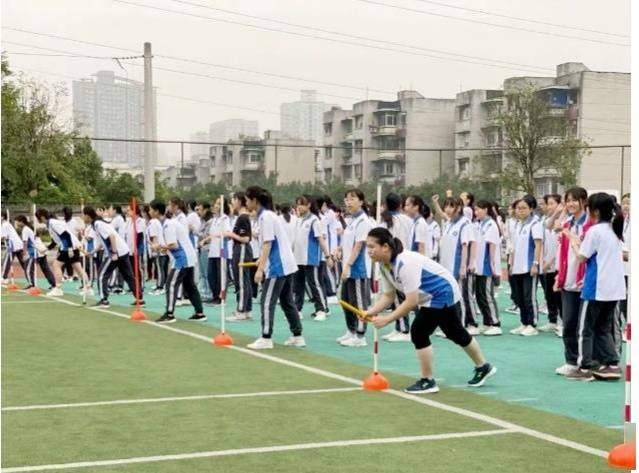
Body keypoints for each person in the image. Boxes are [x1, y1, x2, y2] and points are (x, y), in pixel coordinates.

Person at [365, 228, 496, 393]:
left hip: (442, 292)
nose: (369, 251)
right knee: (454, 331)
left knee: (419, 331)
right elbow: (389, 296)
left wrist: (387, 319)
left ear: (385, 246)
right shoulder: (383, 266)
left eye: (372, 246)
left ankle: (428, 381)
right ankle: (484, 366)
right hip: (430, 296)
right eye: (367, 247)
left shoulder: (405, 263)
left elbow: (411, 302)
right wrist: (371, 311)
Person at [566, 193, 625, 381]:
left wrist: (573, 241)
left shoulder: (595, 231)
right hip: (614, 288)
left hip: (596, 287)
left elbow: (582, 257)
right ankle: (611, 364)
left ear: (596, 211)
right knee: (603, 328)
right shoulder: (615, 230)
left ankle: (584, 367)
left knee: (585, 329)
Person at [245, 186, 305, 349]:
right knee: (287, 301)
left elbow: (268, 243)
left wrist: (260, 269)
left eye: (247, 199)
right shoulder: (266, 216)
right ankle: (297, 336)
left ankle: (266, 337)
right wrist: (262, 262)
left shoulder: (266, 217)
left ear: (255, 200)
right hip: (286, 264)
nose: (246, 203)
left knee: (266, 301)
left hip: (279, 266)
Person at [149, 199, 205, 323]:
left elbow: (174, 245)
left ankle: (169, 314)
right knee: (190, 286)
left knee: (170, 284)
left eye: (151, 210)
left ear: (157, 211)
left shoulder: (168, 225)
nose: (149, 212)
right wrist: (163, 248)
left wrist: (159, 247)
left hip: (182, 259)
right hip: (187, 257)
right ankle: (199, 312)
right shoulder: (167, 223)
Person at [431, 195, 478, 333]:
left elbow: (465, 246)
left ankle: (462, 325)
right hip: (445, 266)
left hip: (457, 266)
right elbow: (442, 214)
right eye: (446, 206)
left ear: (459, 208)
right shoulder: (449, 223)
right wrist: (435, 203)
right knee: (449, 296)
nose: (448, 209)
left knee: (460, 296)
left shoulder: (465, 223)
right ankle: (451, 325)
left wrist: (464, 266)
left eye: (451, 206)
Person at [82, 206, 144, 308]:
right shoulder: (97, 224)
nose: (83, 218)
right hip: (123, 251)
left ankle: (104, 300)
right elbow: (103, 242)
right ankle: (139, 298)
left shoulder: (98, 224)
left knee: (102, 275)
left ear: (87, 216)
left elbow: (112, 237)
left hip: (116, 252)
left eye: (83, 215)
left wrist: (114, 253)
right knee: (128, 276)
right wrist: (93, 252)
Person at [337, 189, 373, 347]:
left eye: (352, 198)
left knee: (359, 303)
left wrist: (348, 265)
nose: (348, 202)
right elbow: (347, 241)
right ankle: (350, 330)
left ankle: (360, 335)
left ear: (361, 201)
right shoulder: (351, 220)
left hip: (358, 268)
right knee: (346, 300)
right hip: (347, 265)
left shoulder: (364, 221)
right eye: (346, 198)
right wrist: (338, 249)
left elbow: (359, 245)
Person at [380, 193, 414, 342]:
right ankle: (399, 327)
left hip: (394, 259)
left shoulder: (384, 221)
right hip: (402, 258)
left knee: (401, 297)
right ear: (400, 205)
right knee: (396, 297)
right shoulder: (407, 220)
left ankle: (404, 329)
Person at [292, 195, 332, 321]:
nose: (299, 207)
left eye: (302, 204)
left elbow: (320, 240)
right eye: (298, 204)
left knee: (314, 284)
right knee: (298, 286)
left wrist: (328, 256)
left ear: (309, 205)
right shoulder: (298, 220)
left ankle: (321, 309)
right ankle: (297, 310)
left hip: (310, 258)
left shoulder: (314, 220)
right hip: (297, 259)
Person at [509, 195, 543, 337]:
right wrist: (511, 263)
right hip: (517, 266)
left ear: (531, 209)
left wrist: (535, 264)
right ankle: (524, 322)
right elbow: (514, 246)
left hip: (529, 267)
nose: (520, 211)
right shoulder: (517, 224)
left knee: (529, 297)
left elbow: (538, 245)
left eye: (523, 208)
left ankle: (532, 324)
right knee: (519, 297)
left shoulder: (535, 224)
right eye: (518, 208)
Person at [35, 208, 89, 297]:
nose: (37, 220)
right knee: (78, 267)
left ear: (42, 217)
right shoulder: (49, 224)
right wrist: (46, 249)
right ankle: (88, 288)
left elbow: (66, 235)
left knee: (56, 265)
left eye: (37, 217)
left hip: (69, 246)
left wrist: (70, 249)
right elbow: (56, 241)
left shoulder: (53, 223)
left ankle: (58, 289)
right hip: (70, 246)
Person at [472, 201, 502, 335]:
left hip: (486, 266)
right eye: (475, 210)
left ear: (486, 210)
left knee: (487, 295)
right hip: (478, 266)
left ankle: (495, 323)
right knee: (479, 295)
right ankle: (487, 321)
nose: (475, 212)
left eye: (478, 209)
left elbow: (492, 247)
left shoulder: (491, 225)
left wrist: (492, 266)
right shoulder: (479, 224)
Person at [225, 192, 254, 322]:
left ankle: (241, 310)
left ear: (239, 201)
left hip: (242, 250)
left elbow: (246, 238)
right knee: (244, 281)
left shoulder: (243, 217)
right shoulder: (240, 217)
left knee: (241, 282)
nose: (232, 203)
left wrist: (231, 234)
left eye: (234, 200)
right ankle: (247, 310)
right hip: (238, 249)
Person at [199, 197, 231, 306]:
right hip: (212, 251)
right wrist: (205, 240)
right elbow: (211, 235)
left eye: (218, 204)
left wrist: (216, 236)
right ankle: (214, 296)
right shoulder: (214, 219)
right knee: (211, 275)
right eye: (215, 203)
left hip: (222, 251)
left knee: (221, 275)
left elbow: (227, 233)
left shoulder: (225, 218)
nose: (215, 206)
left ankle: (221, 298)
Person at [539, 194, 563, 333]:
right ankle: (552, 320)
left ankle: (561, 321)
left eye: (552, 203)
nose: (549, 207)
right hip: (546, 263)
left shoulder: (563, 222)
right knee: (548, 294)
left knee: (558, 295)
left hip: (556, 264)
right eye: (547, 204)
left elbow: (559, 246)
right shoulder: (546, 221)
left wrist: (551, 261)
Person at [14, 215, 36, 289]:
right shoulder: (26, 228)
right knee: (28, 268)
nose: (16, 224)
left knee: (28, 269)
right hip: (31, 251)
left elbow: (25, 242)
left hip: (31, 252)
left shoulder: (25, 229)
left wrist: (24, 253)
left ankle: (31, 284)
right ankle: (31, 283)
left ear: (22, 222)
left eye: (17, 222)